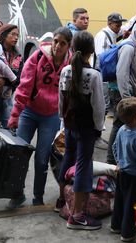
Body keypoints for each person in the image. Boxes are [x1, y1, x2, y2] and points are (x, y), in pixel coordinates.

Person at [6, 27, 73, 209]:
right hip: (29, 112)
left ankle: (38, 197)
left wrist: (67, 120)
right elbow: (24, 87)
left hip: (50, 117)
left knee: (42, 159)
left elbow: (70, 95)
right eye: (56, 41)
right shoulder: (37, 57)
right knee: (20, 155)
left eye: (63, 43)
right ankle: (17, 194)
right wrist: (15, 115)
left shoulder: (71, 65)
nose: (58, 46)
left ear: (69, 45)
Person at [57, 30, 106, 230]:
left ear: (72, 48)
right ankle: (77, 215)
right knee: (83, 166)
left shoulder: (65, 71)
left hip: (69, 124)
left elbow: (61, 102)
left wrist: (63, 120)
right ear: (91, 51)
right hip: (86, 128)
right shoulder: (94, 75)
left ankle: (62, 202)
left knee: (68, 158)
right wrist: (98, 129)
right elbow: (99, 108)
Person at [105, 20, 136, 165]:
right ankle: (111, 159)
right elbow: (122, 74)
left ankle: (116, 157)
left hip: (120, 90)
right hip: (119, 92)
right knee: (118, 124)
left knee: (120, 124)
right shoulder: (129, 48)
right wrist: (126, 97)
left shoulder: (133, 47)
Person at [111, 97, 136, 242]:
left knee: (120, 200)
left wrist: (119, 162)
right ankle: (128, 233)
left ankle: (116, 225)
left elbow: (114, 147)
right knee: (131, 204)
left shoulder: (121, 129)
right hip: (134, 177)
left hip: (122, 174)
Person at [92, 12, 127, 150]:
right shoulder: (103, 36)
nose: (119, 27)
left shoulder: (112, 34)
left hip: (106, 77)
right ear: (109, 24)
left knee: (104, 105)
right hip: (103, 76)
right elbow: (102, 59)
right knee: (102, 106)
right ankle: (96, 137)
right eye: (117, 24)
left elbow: (126, 29)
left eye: (120, 24)